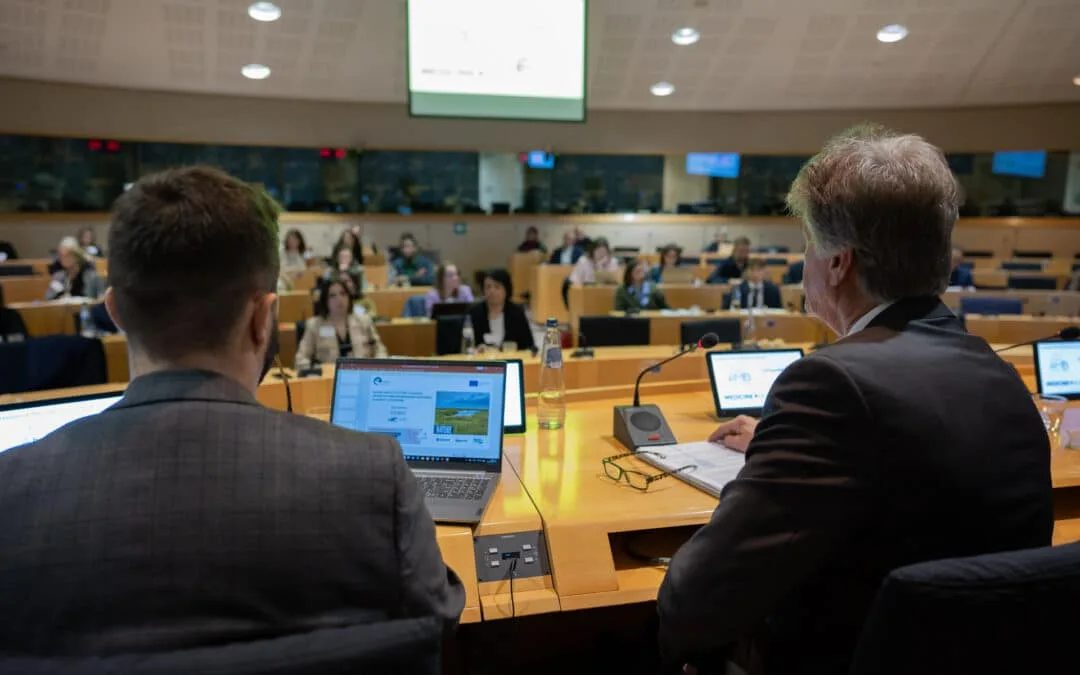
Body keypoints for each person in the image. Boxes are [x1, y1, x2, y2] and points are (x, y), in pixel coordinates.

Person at [0, 166, 464, 656]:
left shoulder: (12, 494)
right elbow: (437, 617)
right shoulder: (372, 477)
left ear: (115, 312)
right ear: (264, 317)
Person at [657, 126, 1052, 675]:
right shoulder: (999, 373)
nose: (805, 264)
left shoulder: (829, 385)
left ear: (839, 262)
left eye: (808, 246)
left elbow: (697, 598)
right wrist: (782, 447)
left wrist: (769, 467)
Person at [295, 276, 387, 369]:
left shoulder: (364, 321)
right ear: (325, 300)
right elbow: (301, 359)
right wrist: (316, 371)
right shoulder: (314, 325)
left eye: (343, 293)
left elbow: (380, 350)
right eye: (332, 296)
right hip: (329, 375)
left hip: (361, 373)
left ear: (349, 297)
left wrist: (377, 367)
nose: (339, 299)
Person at [466, 268, 535, 352]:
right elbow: (467, 345)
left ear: (506, 289)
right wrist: (476, 349)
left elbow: (529, 346)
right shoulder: (475, 312)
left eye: (497, 287)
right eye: (488, 287)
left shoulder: (516, 313)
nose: (492, 291)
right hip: (482, 359)